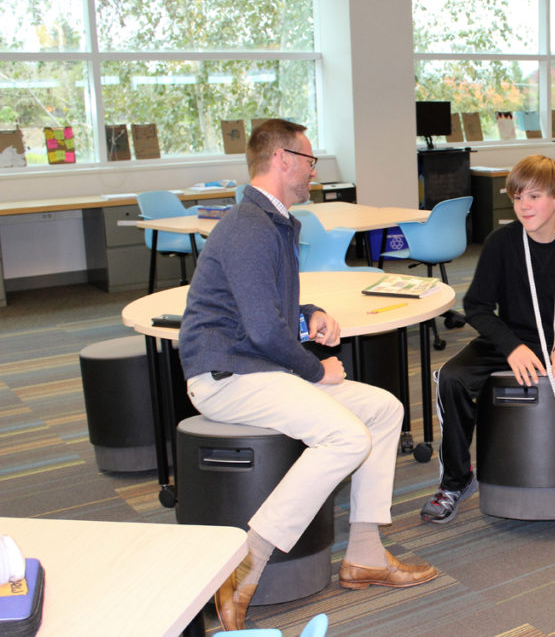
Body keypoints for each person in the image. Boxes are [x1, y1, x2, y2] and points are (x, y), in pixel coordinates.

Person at [179, 119, 438, 631]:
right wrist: (316, 369)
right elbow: (261, 330)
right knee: (345, 436)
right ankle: (245, 563)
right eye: (309, 159)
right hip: (227, 375)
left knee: (384, 409)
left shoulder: (273, 221)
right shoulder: (251, 227)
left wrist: (310, 310)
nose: (313, 171)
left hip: (255, 366)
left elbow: (270, 309)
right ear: (282, 159)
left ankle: (364, 552)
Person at [420, 154, 555, 524]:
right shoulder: (501, 243)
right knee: (453, 379)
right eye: (518, 197)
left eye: (534, 197)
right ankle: (456, 480)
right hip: (515, 337)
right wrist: (511, 346)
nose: (524, 205)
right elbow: (476, 307)